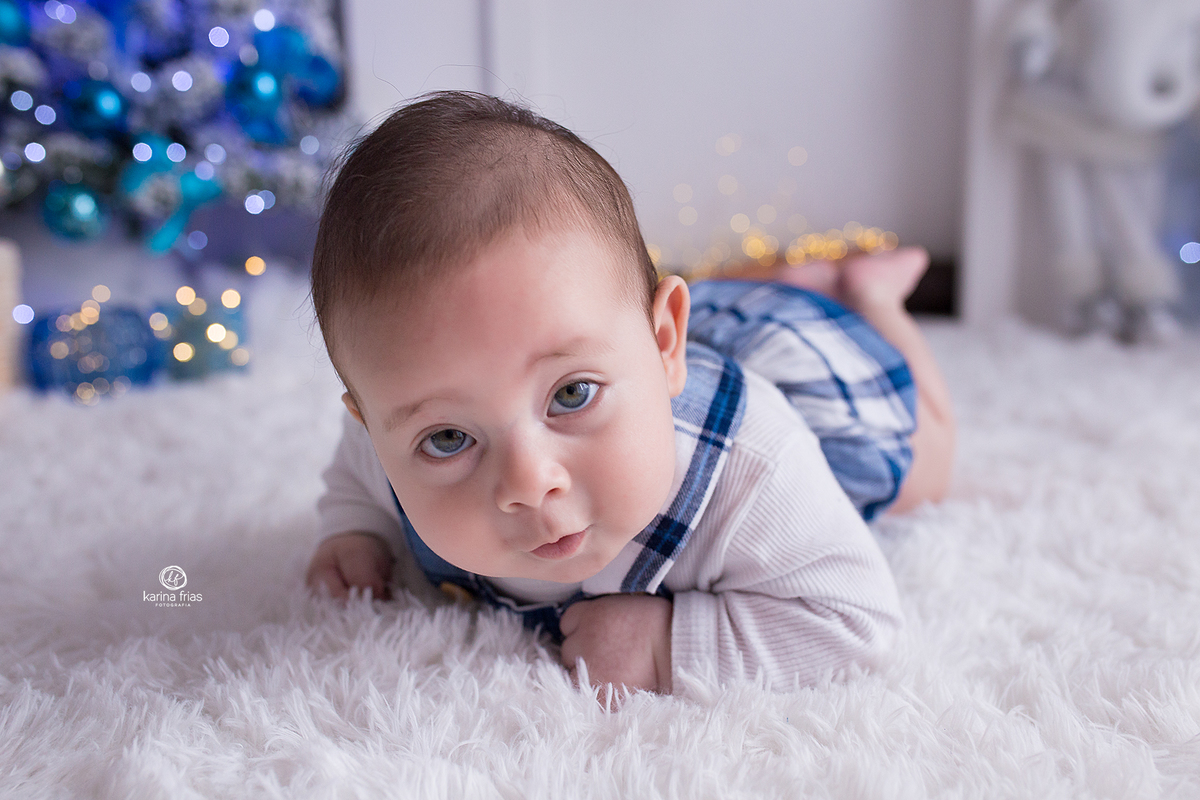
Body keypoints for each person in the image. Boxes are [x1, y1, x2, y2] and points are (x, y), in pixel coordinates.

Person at [304, 91, 955, 695]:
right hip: (647, 332)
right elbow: (355, 478)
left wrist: (671, 646)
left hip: (800, 384)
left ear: (664, 342)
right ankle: (794, 279)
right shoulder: (387, 428)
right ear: (371, 425)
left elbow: (859, 624)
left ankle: (875, 298)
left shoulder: (754, 473)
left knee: (925, 466)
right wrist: (354, 530)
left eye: (571, 394)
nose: (530, 484)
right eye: (449, 438)